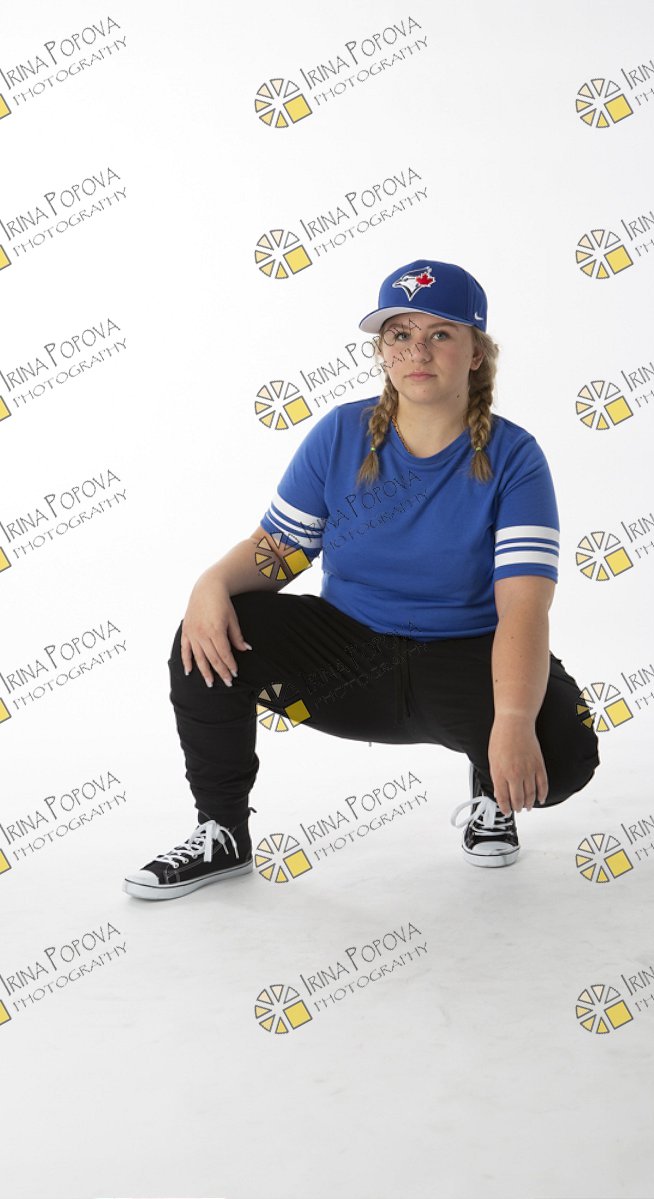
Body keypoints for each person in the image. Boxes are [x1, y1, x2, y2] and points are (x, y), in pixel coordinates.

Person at [123, 258, 600, 900]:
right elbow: (278, 552)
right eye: (400, 334)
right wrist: (208, 586)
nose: (417, 351)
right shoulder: (341, 434)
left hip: (461, 664)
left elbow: (523, 607)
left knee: (564, 756)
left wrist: (512, 720)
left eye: (440, 334)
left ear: (476, 354)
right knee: (206, 635)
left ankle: (491, 788)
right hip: (348, 661)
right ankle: (224, 833)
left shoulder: (515, 457)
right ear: (382, 350)